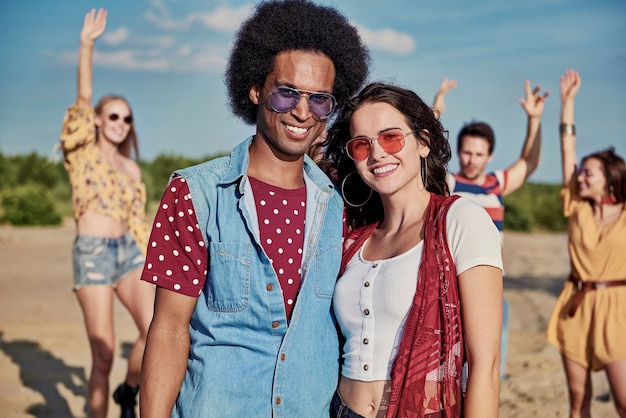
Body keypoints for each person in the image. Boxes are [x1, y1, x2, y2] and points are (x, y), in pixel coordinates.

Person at [138, 1, 370, 416]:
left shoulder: (341, 207)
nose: (303, 111)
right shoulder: (195, 193)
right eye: (287, 93)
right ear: (255, 88)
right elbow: (169, 329)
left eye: (320, 100)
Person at [324, 82, 503, 418]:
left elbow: (485, 366)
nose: (377, 153)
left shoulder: (461, 220)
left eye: (391, 137)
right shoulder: (353, 240)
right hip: (340, 409)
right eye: (361, 145)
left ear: (423, 143)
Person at [59, 8, 155, 418]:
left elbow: (140, 223)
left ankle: (128, 392)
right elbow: (82, 99)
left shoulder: (132, 169)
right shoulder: (81, 153)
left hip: (129, 252)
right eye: (112, 115)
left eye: (126, 118)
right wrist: (87, 45)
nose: (120, 122)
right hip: (93, 253)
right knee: (101, 353)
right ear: (98, 121)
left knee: (156, 331)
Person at [434, 77, 549, 380]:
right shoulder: (449, 184)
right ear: (459, 151)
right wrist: (436, 110)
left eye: (479, 154)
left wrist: (534, 120)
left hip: (492, 292)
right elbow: (427, 160)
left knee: (486, 373)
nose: (472, 160)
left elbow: (530, 162)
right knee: (448, 375)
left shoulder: (496, 184)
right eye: (467, 152)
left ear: (490, 156)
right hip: (451, 292)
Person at [546, 68, 626, 418]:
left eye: (588, 172)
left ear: (609, 181)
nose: (580, 175)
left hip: (618, 310)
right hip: (575, 306)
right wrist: (567, 104)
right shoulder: (575, 206)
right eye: (581, 171)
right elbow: (568, 149)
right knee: (579, 402)